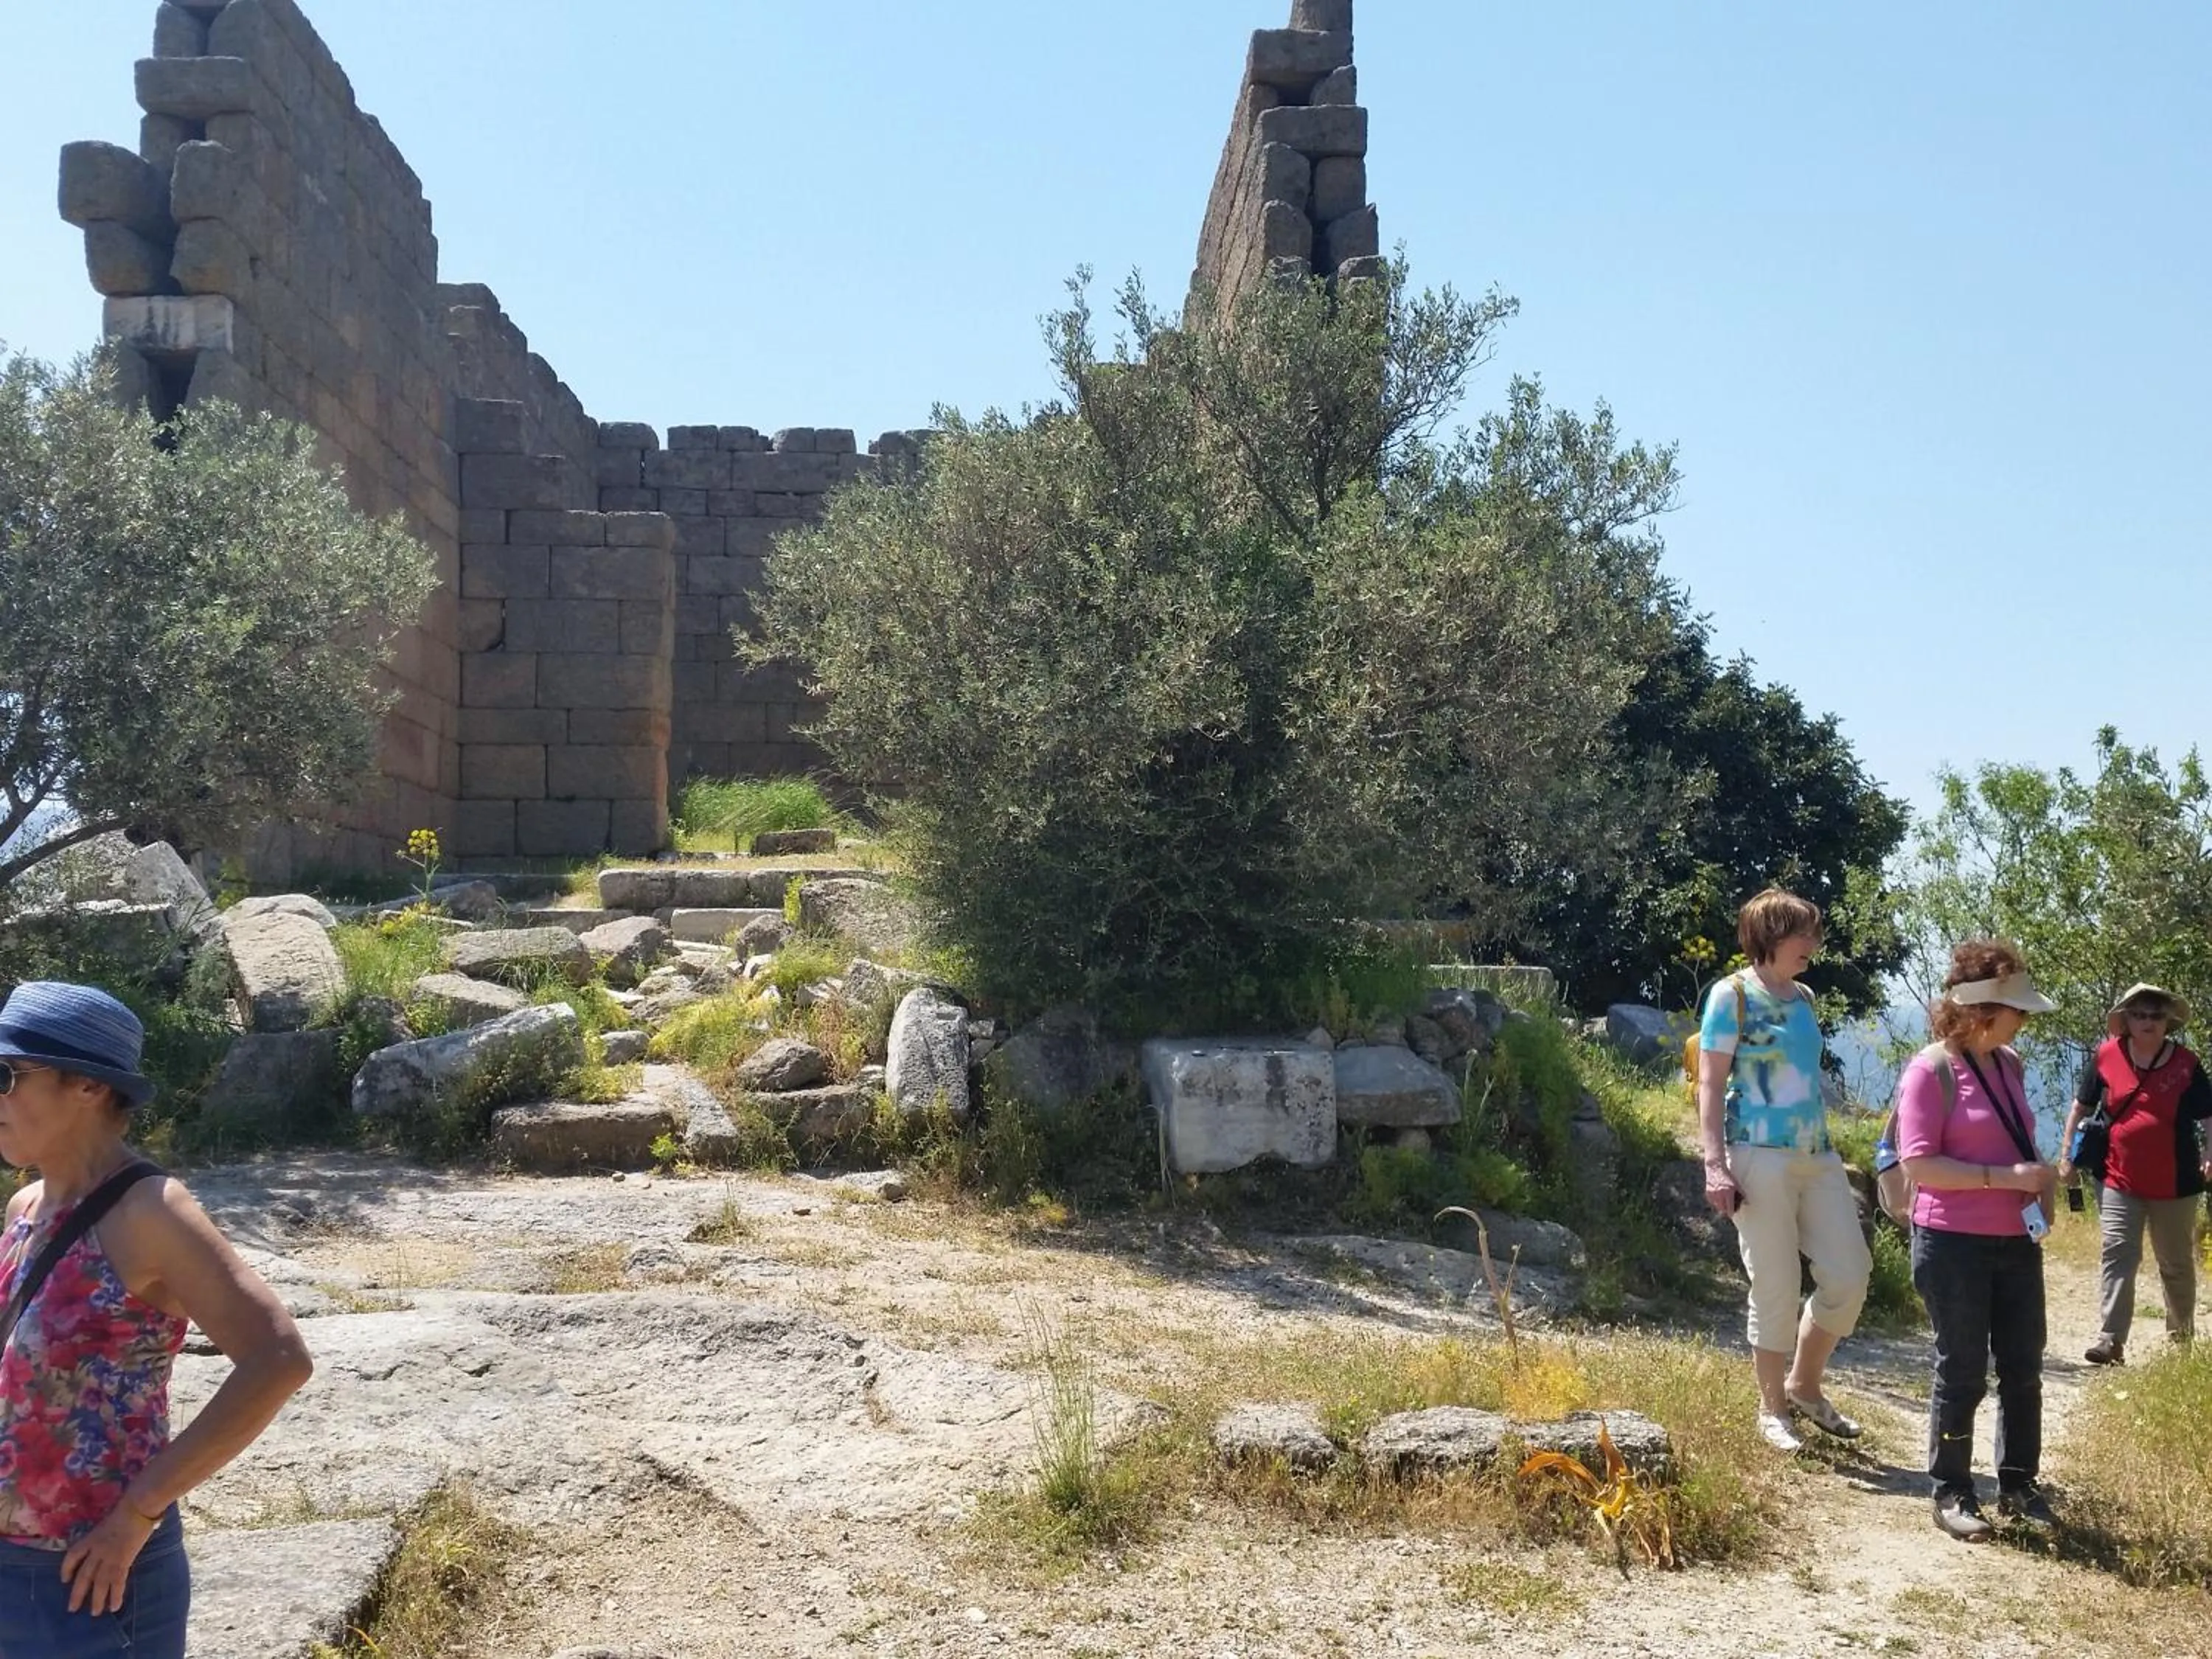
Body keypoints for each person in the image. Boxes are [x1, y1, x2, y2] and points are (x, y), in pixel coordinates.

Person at [0, 981, 313, 1658]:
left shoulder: (151, 1211)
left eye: (8, 1076)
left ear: (88, 1086)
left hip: (89, 1583)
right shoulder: (25, 1207)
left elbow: (279, 1359)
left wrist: (138, 1514)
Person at [1895, 940, 2059, 1542]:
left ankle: (2018, 1483)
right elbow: (1919, 1164)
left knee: (2023, 1365)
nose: (2025, 1020)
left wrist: (2038, 1183)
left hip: (2015, 1241)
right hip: (1951, 1243)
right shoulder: (1930, 1070)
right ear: (1984, 1009)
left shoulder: (2009, 1064)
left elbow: (2018, 1139)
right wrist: (2005, 1178)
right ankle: (1952, 1489)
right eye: (2018, 1009)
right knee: (1962, 1367)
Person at [1697, 888, 1871, 1455]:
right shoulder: (1731, 995)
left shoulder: (1804, 997)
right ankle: (1773, 1410)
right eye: (1804, 933)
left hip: (1816, 1155)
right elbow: (1710, 1084)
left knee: (1849, 1273)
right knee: (1775, 1283)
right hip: (1756, 1154)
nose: (1813, 943)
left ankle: (1804, 1385)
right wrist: (1715, 1164)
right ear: (1770, 935)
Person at [2056, 984, 2212, 1365]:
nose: (2148, 1022)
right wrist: (2067, 1156)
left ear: (2168, 1021)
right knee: (2117, 1253)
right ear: (2126, 1020)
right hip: (2117, 1178)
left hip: (2176, 1184)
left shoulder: (2186, 1064)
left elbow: (2209, 1116)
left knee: (2175, 1263)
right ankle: (2111, 1340)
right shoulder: (2107, 1056)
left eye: (2156, 1015)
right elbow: (2080, 1107)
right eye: (2139, 1014)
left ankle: (2180, 1343)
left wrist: (2210, 1151)